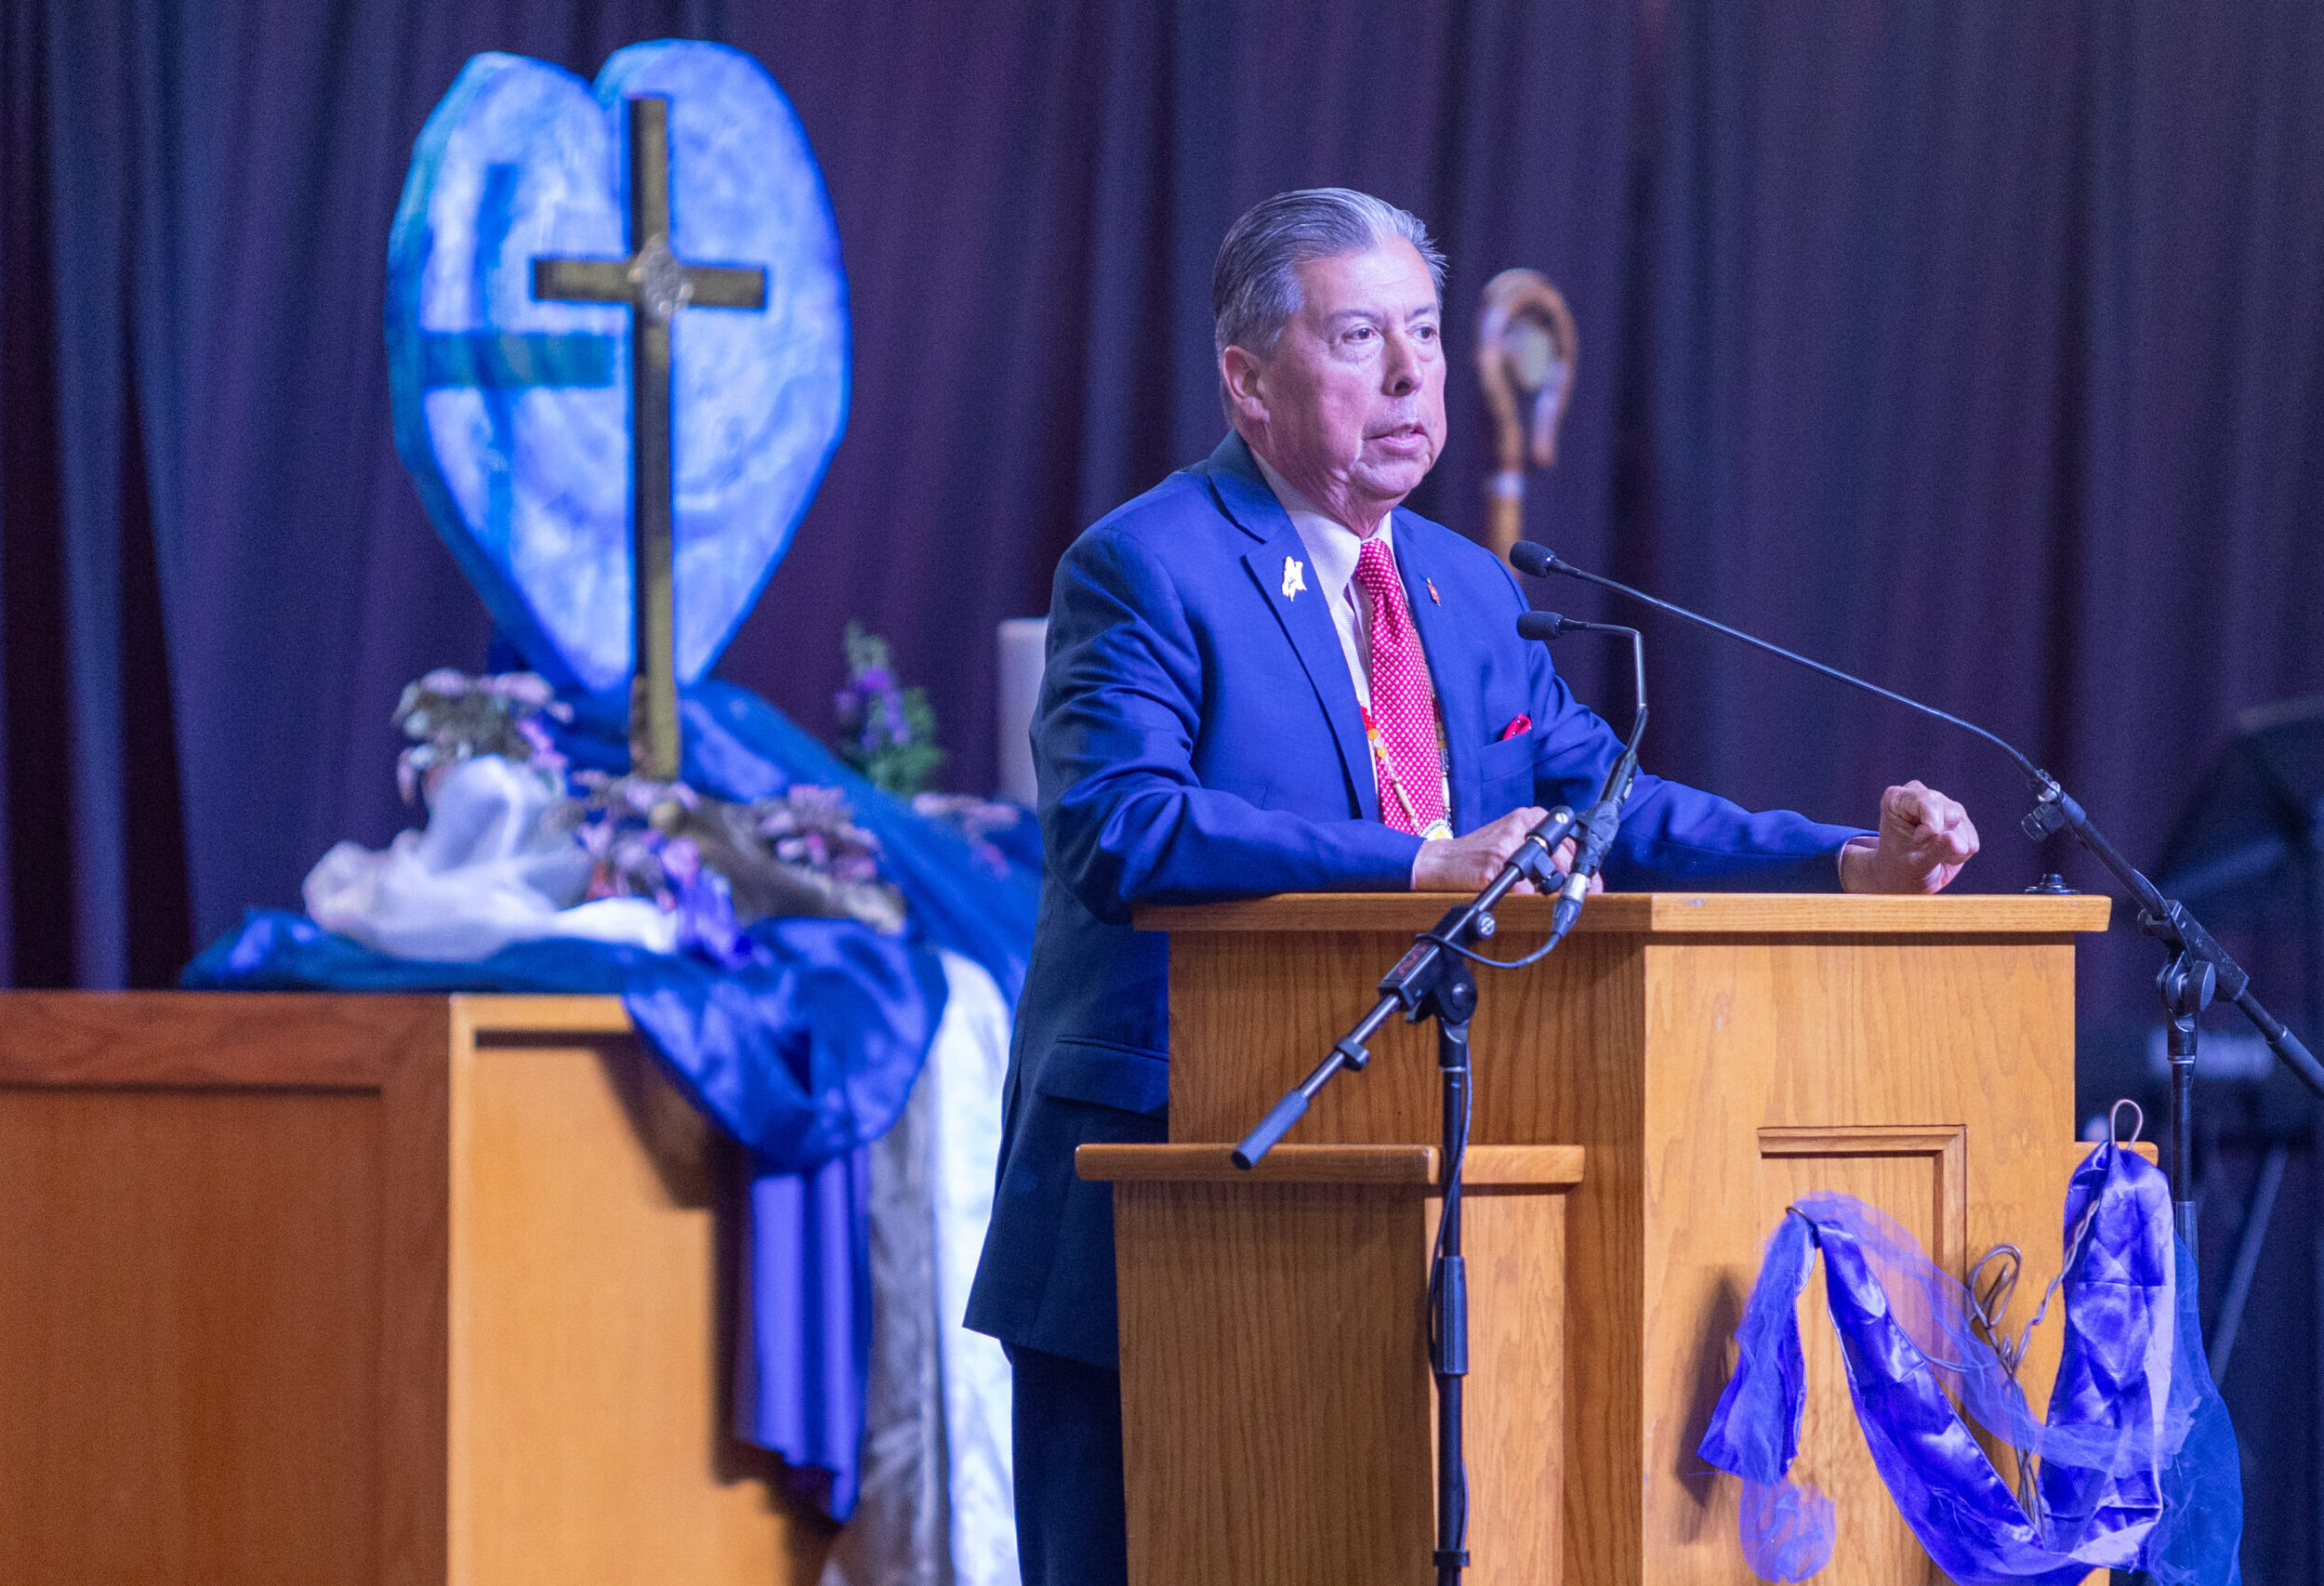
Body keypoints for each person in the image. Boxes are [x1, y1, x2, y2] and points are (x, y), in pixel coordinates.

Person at [964, 188, 1980, 1586]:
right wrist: (1419, 864)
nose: (1410, 377)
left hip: (1424, 1200)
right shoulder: (1147, 564)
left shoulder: (1465, 587)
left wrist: (1847, 861)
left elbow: (1605, 805)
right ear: (1247, 382)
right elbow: (1118, 826)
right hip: (1166, 1189)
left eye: (1427, 336)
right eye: (1360, 337)